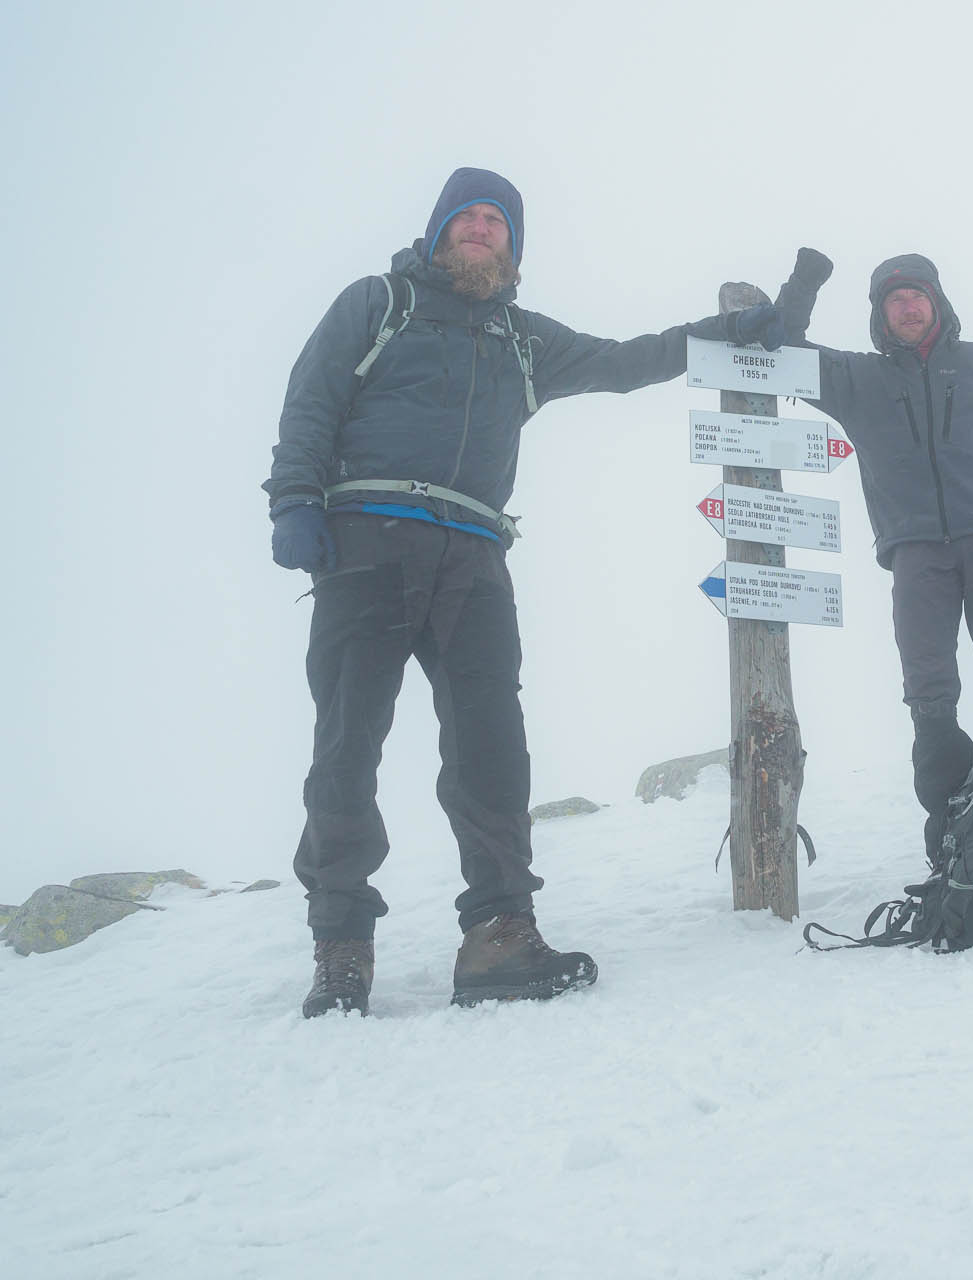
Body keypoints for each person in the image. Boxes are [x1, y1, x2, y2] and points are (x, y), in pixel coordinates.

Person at [266, 167, 789, 1017]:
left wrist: (726, 331)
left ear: (514, 246)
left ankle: (500, 935)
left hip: (474, 555)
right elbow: (311, 402)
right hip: (368, 541)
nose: (481, 229)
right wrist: (293, 502)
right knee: (347, 748)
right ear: (437, 232)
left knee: (491, 753)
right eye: (467, 217)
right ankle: (342, 947)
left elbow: (628, 361)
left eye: (497, 221)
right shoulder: (378, 304)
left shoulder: (522, 340)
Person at [773, 249, 973, 855]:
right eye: (894, 298)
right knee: (930, 695)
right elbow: (779, 354)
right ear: (879, 314)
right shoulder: (856, 379)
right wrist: (804, 282)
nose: (908, 306)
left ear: (938, 301)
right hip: (914, 553)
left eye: (918, 294)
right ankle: (951, 836)